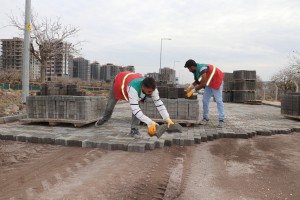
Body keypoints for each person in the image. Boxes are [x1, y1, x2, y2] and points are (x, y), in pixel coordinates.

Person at [95, 71, 174, 137]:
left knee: (138, 105)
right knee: (110, 105)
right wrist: (150, 122)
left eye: (152, 91)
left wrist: (167, 118)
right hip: (119, 83)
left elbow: (158, 103)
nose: (151, 94)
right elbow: (135, 110)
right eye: (149, 92)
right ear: (143, 87)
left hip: (131, 79)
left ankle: (134, 129)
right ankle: (103, 120)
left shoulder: (152, 89)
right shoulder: (133, 89)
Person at [184, 59, 225, 128]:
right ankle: (205, 119)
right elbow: (198, 81)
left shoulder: (202, 69)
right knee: (205, 100)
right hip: (209, 83)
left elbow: (202, 84)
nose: (189, 70)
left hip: (217, 81)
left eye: (189, 68)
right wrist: (190, 86)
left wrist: (193, 91)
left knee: (218, 101)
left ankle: (221, 120)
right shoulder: (196, 71)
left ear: (192, 66)